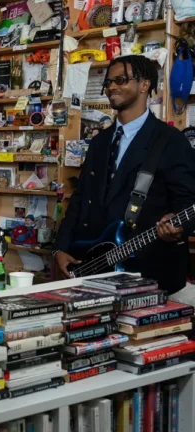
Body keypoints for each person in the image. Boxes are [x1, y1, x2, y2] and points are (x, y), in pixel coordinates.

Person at [53, 55, 195, 294]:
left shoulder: (170, 141)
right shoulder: (99, 142)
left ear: (145, 85)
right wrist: (60, 249)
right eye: (108, 82)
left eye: (121, 80)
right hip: (94, 271)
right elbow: (79, 200)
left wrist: (179, 228)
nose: (111, 87)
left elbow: (188, 202)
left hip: (150, 276)